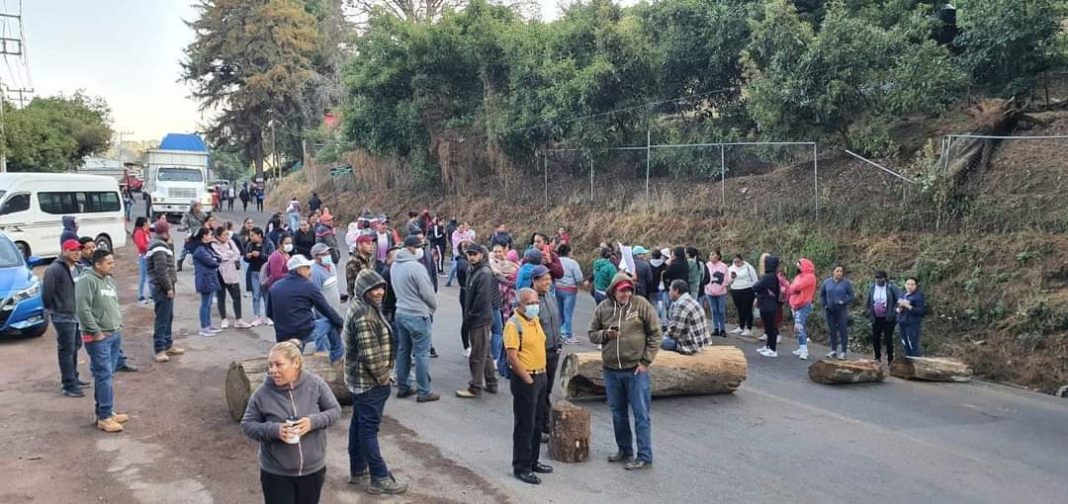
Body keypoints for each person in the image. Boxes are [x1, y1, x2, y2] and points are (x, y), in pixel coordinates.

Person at [240, 339, 341, 504]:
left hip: (313, 470)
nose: (273, 370)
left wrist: (312, 422)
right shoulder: (262, 393)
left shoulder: (315, 384)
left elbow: (335, 411)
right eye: (270, 365)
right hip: (277, 474)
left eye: (279, 364)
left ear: (296, 363)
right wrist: (275, 430)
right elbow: (247, 425)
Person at [342, 267, 407, 495]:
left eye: (381, 287)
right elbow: (370, 354)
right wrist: (383, 378)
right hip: (369, 383)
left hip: (361, 381)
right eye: (373, 289)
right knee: (368, 429)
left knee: (359, 424)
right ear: (363, 290)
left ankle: (358, 470)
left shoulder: (365, 307)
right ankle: (379, 476)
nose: (379, 292)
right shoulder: (365, 315)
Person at [589, 273, 659, 470]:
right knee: (618, 414)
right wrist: (606, 334)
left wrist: (646, 361)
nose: (626, 293)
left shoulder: (641, 305)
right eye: (622, 290)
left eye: (629, 289)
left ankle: (644, 455)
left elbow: (655, 333)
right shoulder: (603, 307)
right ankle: (624, 450)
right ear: (613, 290)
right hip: (611, 370)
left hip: (636, 370)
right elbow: (592, 334)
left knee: (641, 414)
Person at [75, 249, 130, 433]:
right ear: (97, 264)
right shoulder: (86, 281)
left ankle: (105, 411)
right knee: (104, 375)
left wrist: (118, 326)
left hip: (114, 334)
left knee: (107, 374)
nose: (112, 265)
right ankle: (105, 417)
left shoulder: (109, 280)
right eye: (109, 262)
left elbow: (112, 305)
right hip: (99, 338)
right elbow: (83, 309)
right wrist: (96, 331)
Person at [505, 288, 554, 485]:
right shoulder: (513, 324)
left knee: (537, 422)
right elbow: (512, 356)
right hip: (527, 379)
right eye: (530, 303)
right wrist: (527, 378)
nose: (534, 306)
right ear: (520, 305)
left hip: (540, 375)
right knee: (525, 424)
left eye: (536, 303)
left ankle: (533, 461)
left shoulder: (533, 321)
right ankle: (522, 466)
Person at [391, 235, 440, 403]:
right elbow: (428, 293)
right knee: (421, 353)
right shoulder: (416, 267)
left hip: (401, 312)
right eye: (419, 246)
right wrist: (433, 307)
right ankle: (424, 390)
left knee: (404, 350)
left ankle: (403, 386)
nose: (422, 250)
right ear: (411, 248)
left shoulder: (395, 265)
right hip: (417, 314)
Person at [42, 239, 90, 397]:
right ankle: (68, 384)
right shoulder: (54, 269)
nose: (77, 252)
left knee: (75, 347)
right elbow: (47, 294)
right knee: (66, 350)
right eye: (73, 250)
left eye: (78, 250)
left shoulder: (77, 267)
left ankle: (73, 377)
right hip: (63, 316)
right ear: (64, 251)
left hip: (76, 316)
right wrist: (55, 308)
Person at [267, 255, 344, 346]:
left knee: (293, 354)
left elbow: (270, 313)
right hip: (304, 332)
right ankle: (336, 356)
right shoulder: (308, 286)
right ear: (299, 270)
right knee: (332, 322)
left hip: (282, 334)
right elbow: (325, 309)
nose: (310, 272)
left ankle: (299, 348)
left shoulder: (275, 286)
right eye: (307, 268)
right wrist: (340, 323)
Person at [457, 244, 501, 398]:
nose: (471, 256)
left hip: (480, 319)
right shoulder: (472, 270)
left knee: (476, 355)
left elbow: (481, 300)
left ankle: (475, 387)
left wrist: (470, 317)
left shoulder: (484, 273)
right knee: (485, 351)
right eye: (469, 254)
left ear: (482, 255)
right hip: (476, 317)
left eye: (474, 254)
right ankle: (491, 383)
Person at [531, 265, 562, 442]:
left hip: (553, 351)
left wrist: (558, 343)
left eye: (549, 280)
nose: (548, 282)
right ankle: (539, 426)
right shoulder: (531, 301)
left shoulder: (550, 296)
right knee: (539, 391)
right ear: (535, 281)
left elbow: (556, 322)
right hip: (539, 354)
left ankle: (544, 423)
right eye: (544, 280)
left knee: (547, 390)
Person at [309, 243, 343, 363]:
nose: (328, 255)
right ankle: (321, 361)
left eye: (328, 253)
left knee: (335, 339)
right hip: (323, 312)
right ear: (316, 256)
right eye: (324, 254)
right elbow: (315, 295)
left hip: (334, 310)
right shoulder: (314, 272)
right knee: (323, 339)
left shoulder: (331, 266)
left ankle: (335, 360)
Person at [662, 280, 713, 354]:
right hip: (700, 341)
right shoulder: (690, 300)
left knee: (655, 341)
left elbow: (675, 333)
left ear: (676, 290)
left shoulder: (681, 305)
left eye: (670, 290)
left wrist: (664, 334)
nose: (669, 292)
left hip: (690, 345)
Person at [212, 225, 248, 329]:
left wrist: (229, 255)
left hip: (232, 272)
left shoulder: (231, 242)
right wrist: (229, 255)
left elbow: (237, 254)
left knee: (236, 296)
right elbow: (220, 257)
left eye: (227, 234)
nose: (226, 236)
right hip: (220, 273)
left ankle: (239, 319)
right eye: (224, 234)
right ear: (218, 236)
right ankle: (224, 319)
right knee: (221, 296)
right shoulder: (214, 244)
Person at [864, 271, 901, 364]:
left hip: (888, 317)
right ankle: (877, 357)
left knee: (888, 338)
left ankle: (890, 359)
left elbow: (899, 299)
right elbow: (868, 300)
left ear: (885, 278)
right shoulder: (872, 287)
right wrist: (868, 311)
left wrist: (895, 310)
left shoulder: (891, 287)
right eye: (876, 278)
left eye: (880, 278)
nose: (878, 280)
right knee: (875, 338)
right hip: (876, 317)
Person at [192, 227, 222, 337]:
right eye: (209, 234)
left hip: (210, 277)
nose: (211, 237)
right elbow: (212, 262)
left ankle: (208, 324)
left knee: (209, 303)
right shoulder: (200, 250)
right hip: (204, 279)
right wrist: (215, 259)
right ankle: (204, 327)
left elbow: (218, 257)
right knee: (205, 303)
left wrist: (215, 259)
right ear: (204, 236)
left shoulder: (207, 248)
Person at [753, 254, 784, 358]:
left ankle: (772, 349)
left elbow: (756, 286)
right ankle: (768, 346)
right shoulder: (772, 276)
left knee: (771, 328)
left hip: (768, 305)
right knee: (768, 327)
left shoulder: (769, 276)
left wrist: (759, 288)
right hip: (767, 304)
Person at [820, 265, 854, 360]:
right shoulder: (827, 282)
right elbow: (822, 295)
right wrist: (825, 304)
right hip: (830, 310)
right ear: (833, 272)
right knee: (832, 330)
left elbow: (851, 296)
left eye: (841, 271)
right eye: (837, 271)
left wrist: (844, 301)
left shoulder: (846, 283)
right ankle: (833, 350)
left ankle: (843, 352)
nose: (839, 273)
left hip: (841, 310)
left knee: (843, 330)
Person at [788, 258, 818, 360]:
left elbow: (796, 287)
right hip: (795, 305)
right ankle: (801, 347)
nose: (798, 266)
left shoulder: (810, 277)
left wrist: (793, 288)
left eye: (800, 264)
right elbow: (791, 288)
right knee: (798, 328)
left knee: (800, 327)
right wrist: (793, 288)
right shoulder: (799, 276)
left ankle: (804, 350)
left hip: (803, 304)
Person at [554, 243, 583, 345]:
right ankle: (568, 336)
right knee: (568, 314)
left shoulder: (556, 261)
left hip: (557, 288)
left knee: (559, 313)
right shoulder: (572, 263)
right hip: (570, 290)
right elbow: (579, 278)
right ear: (569, 252)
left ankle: (558, 334)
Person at [246, 227, 273, 326]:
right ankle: (257, 316)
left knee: (266, 294)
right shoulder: (249, 244)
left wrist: (260, 255)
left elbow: (271, 257)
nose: (251, 238)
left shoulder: (269, 243)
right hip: (254, 272)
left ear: (259, 235)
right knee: (256, 295)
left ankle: (268, 316)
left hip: (265, 272)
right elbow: (245, 257)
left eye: (253, 235)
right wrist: (248, 256)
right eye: (250, 235)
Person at [728, 255, 759, 337]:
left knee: (747, 308)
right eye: (735, 262)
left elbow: (754, 279)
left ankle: (749, 328)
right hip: (735, 289)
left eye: (738, 261)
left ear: (742, 260)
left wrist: (756, 292)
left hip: (747, 289)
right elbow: (728, 279)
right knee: (739, 309)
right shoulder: (731, 268)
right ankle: (741, 326)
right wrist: (732, 277)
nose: (737, 264)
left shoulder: (748, 267)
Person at [702, 250, 731, 337]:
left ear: (718, 256)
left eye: (713, 254)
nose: (711, 256)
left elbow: (726, 279)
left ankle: (722, 329)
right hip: (709, 292)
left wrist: (721, 288)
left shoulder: (724, 266)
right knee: (713, 310)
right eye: (710, 255)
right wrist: (708, 288)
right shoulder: (706, 265)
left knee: (721, 310)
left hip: (721, 292)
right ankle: (715, 329)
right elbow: (704, 278)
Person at [897, 277, 927, 357]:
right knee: (904, 342)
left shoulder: (918, 296)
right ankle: (909, 362)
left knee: (912, 343)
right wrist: (898, 309)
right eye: (908, 284)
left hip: (912, 323)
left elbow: (921, 311)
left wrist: (908, 306)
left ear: (916, 286)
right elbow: (896, 306)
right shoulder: (902, 294)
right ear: (905, 285)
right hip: (902, 322)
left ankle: (917, 362)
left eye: (912, 284)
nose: (910, 286)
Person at [176, 201, 207, 271]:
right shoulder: (187, 214)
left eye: (200, 205)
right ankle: (180, 261)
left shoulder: (203, 214)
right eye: (198, 206)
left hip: (201, 232)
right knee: (186, 248)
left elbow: (207, 221)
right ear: (193, 207)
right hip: (192, 232)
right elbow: (183, 222)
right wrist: (184, 227)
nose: (200, 207)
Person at [129, 217, 152, 306]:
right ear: (144, 223)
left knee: (148, 276)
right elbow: (141, 246)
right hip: (144, 256)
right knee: (144, 277)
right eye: (148, 222)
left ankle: (149, 295)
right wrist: (149, 248)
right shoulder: (139, 232)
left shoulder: (145, 231)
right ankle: (141, 296)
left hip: (147, 256)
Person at [347, 234, 376, 300]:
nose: (372, 246)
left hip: (368, 295)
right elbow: (353, 284)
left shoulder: (368, 258)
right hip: (359, 298)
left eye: (372, 244)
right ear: (359, 245)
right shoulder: (353, 262)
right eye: (368, 244)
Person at [446, 222, 475, 287]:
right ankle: (449, 281)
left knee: (468, 267)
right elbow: (457, 242)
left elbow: (469, 241)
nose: (461, 229)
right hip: (457, 253)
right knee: (454, 267)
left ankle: (467, 282)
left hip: (465, 253)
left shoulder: (466, 233)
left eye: (462, 227)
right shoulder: (454, 234)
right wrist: (464, 240)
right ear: (457, 228)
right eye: (460, 227)